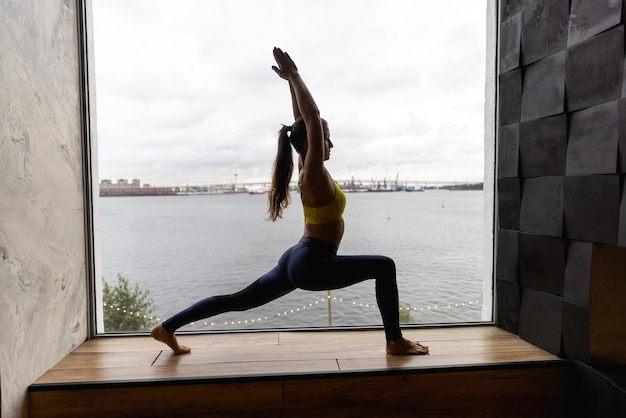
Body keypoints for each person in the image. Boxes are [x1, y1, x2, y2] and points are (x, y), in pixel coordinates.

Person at [151, 47, 429, 356]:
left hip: (298, 256)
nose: (332, 143)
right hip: (312, 263)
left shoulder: (304, 164)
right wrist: (295, 76)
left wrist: (289, 83)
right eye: (327, 138)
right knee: (385, 266)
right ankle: (394, 341)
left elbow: (301, 122)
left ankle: (167, 328)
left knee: (238, 301)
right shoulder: (313, 173)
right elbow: (309, 118)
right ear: (311, 143)